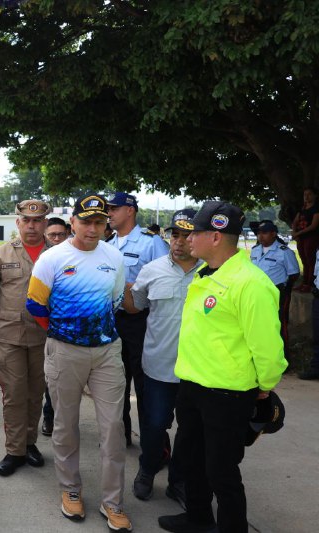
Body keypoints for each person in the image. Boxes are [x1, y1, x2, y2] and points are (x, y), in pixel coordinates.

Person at [159, 201, 287, 533]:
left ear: (215, 237)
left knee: (222, 472)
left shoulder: (250, 283)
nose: (188, 239)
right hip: (193, 386)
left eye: (195, 233)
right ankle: (198, 517)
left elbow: (268, 347)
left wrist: (265, 385)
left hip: (228, 393)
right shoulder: (207, 274)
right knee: (192, 461)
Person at [26, 193, 132, 533]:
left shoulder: (114, 258)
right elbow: (36, 306)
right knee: (65, 424)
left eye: (100, 222)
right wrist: (63, 333)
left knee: (113, 428)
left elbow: (115, 300)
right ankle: (71, 489)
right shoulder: (52, 258)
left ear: (107, 224)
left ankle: (112, 502)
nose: (92, 228)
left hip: (106, 352)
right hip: (64, 351)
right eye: (85, 221)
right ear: (72, 221)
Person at [121, 209, 201, 506]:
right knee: (154, 426)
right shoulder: (152, 269)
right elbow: (134, 306)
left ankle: (178, 480)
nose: (179, 242)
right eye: (175, 235)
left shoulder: (213, 272)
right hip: (158, 365)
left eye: (187, 235)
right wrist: (119, 286)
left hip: (199, 370)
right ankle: (146, 470)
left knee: (190, 431)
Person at [0, 200, 51, 477]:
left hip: (45, 337)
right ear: (18, 223)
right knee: (14, 395)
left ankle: (30, 444)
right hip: (10, 335)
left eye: (37, 221)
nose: (31, 226)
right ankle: (14, 450)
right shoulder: (2, 253)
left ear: (45, 223)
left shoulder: (57, 255)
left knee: (35, 394)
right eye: (26, 221)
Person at [106, 192, 169, 446]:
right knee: (115, 382)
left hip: (142, 322)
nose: (109, 213)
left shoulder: (151, 243)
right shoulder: (108, 245)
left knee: (145, 385)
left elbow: (165, 280)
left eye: (114, 208)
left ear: (130, 210)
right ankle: (120, 436)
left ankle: (154, 444)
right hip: (112, 322)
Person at [250, 220, 299, 360]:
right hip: (257, 291)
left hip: (277, 291)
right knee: (259, 323)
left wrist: (285, 291)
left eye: (264, 233)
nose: (261, 236)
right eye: (259, 233)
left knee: (278, 323)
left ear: (273, 234)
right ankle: (262, 356)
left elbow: (294, 274)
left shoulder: (284, 252)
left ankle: (283, 358)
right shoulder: (255, 250)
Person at [41, 216, 69, 436]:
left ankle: (55, 417)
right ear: (46, 236)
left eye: (61, 234)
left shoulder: (76, 256)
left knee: (59, 378)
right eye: (52, 235)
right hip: (43, 325)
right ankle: (48, 416)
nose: (57, 238)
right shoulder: (44, 259)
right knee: (47, 377)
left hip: (67, 330)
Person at [291, 186, 319, 292]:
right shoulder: (302, 208)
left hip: (311, 237)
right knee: (304, 260)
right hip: (301, 238)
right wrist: (294, 232)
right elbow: (295, 222)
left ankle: (310, 284)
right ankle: (304, 282)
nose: (306, 197)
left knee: (310, 260)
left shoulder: (316, 208)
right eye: (304, 195)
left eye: (309, 194)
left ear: (315, 196)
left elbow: (313, 225)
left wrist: (299, 232)